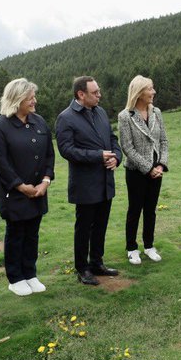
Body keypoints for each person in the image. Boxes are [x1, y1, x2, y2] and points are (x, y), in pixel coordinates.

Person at [0, 78, 55, 295]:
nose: (34, 101)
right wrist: (19, 185)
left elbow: (48, 154)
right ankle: (15, 278)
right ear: (17, 99)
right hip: (14, 193)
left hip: (38, 190)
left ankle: (30, 273)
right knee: (16, 233)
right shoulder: (0, 127)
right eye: (30, 98)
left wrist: (45, 180)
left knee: (33, 233)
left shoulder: (39, 121)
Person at [56, 75, 123, 286]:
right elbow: (66, 150)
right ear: (81, 94)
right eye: (95, 93)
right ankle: (82, 268)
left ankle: (97, 263)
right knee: (84, 227)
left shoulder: (100, 112)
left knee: (101, 225)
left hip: (105, 180)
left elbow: (113, 139)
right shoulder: (65, 118)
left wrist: (117, 158)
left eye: (99, 91)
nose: (99, 95)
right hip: (85, 184)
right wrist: (98, 156)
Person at [117, 75, 169, 265]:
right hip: (136, 171)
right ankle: (132, 248)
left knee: (151, 210)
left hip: (157, 170)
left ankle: (149, 246)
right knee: (135, 209)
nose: (153, 92)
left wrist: (161, 164)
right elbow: (127, 148)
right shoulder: (125, 116)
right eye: (150, 89)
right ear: (139, 92)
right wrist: (148, 169)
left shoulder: (156, 112)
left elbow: (163, 141)